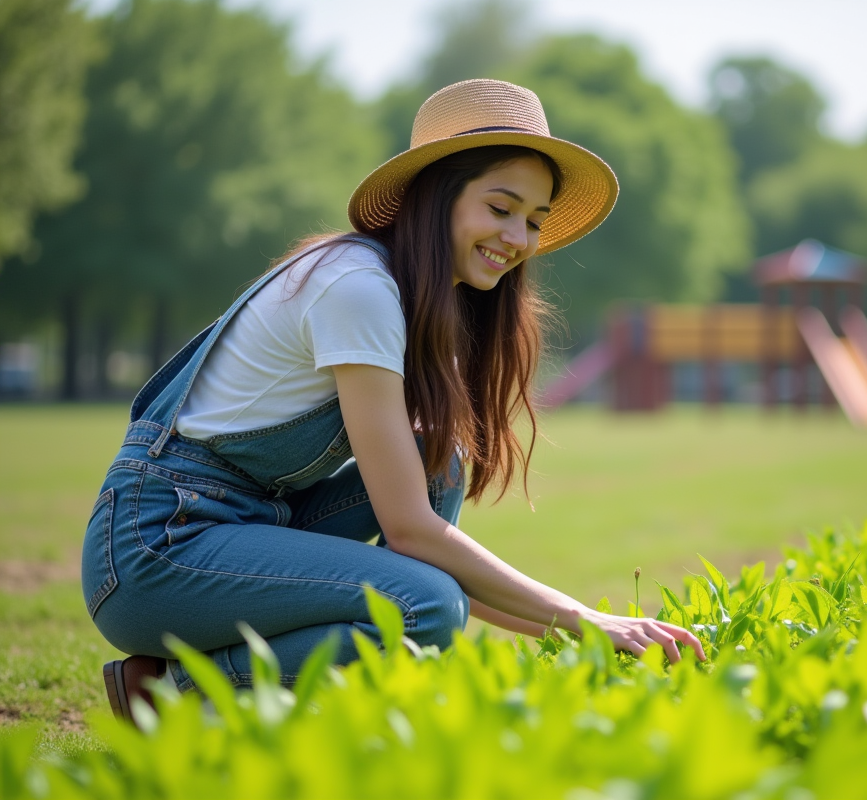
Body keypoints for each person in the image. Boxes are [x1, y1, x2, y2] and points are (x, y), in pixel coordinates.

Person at [85, 79, 705, 720]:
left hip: (250, 528)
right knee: (426, 606)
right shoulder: (357, 288)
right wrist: (581, 619)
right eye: (500, 207)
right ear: (434, 196)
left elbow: (424, 551)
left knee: (438, 465)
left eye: (535, 220)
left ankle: (215, 686)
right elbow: (413, 535)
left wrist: (586, 633)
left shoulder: (416, 302)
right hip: (155, 548)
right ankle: (168, 698)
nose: (518, 237)